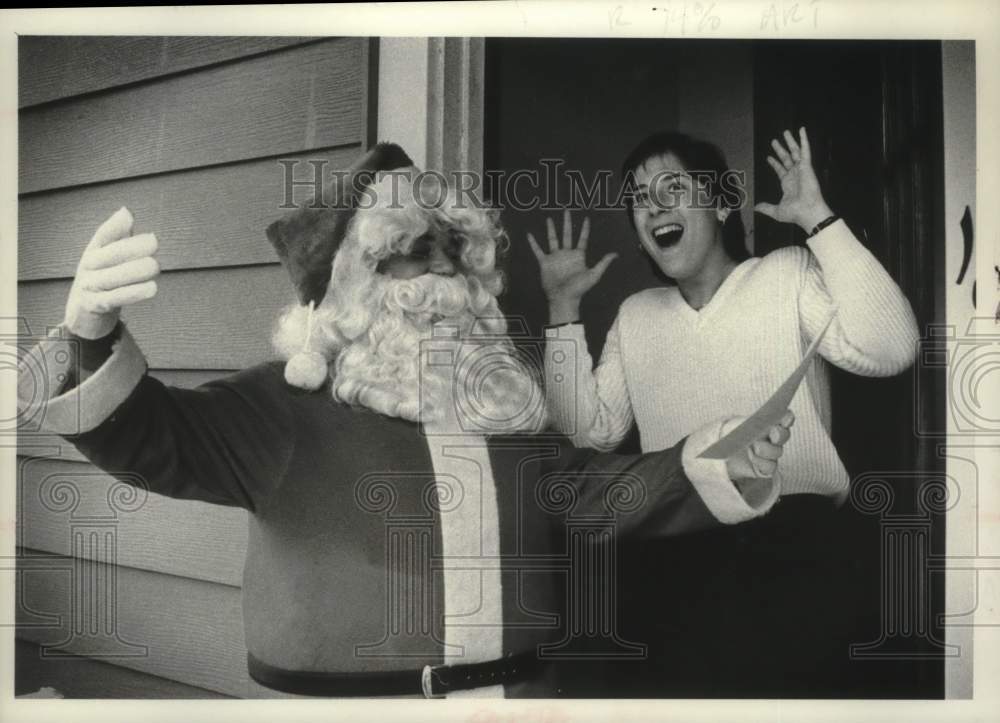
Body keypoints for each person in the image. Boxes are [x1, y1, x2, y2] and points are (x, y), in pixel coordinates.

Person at [18, 143, 795, 699]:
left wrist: (718, 456)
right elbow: (151, 438)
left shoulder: (504, 405)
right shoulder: (278, 409)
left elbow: (595, 494)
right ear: (352, 285)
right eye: (411, 253)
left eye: (453, 251)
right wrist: (90, 334)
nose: (442, 275)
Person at [530, 128, 920, 696]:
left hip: (797, 551)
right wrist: (563, 309)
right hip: (675, 562)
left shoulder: (785, 273)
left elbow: (893, 349)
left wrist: (819, 220)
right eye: (640, 198)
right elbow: (585, 433)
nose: (654, 205)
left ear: (720, 202)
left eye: (673, 186)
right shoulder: (637, 314)